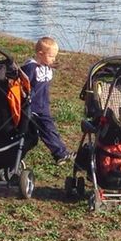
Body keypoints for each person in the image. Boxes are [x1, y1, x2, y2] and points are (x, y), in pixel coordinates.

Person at [21, 36, 72, 165]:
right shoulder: (31, 68)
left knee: (48, 130)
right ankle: (60, 153)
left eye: (55, 56)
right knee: (37, 133)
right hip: (32, 107)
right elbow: (22, 84)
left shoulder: (47, 67)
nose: (53, 59)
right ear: (40, 54)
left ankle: (60, 153)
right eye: (51, 56)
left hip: (44, 107)